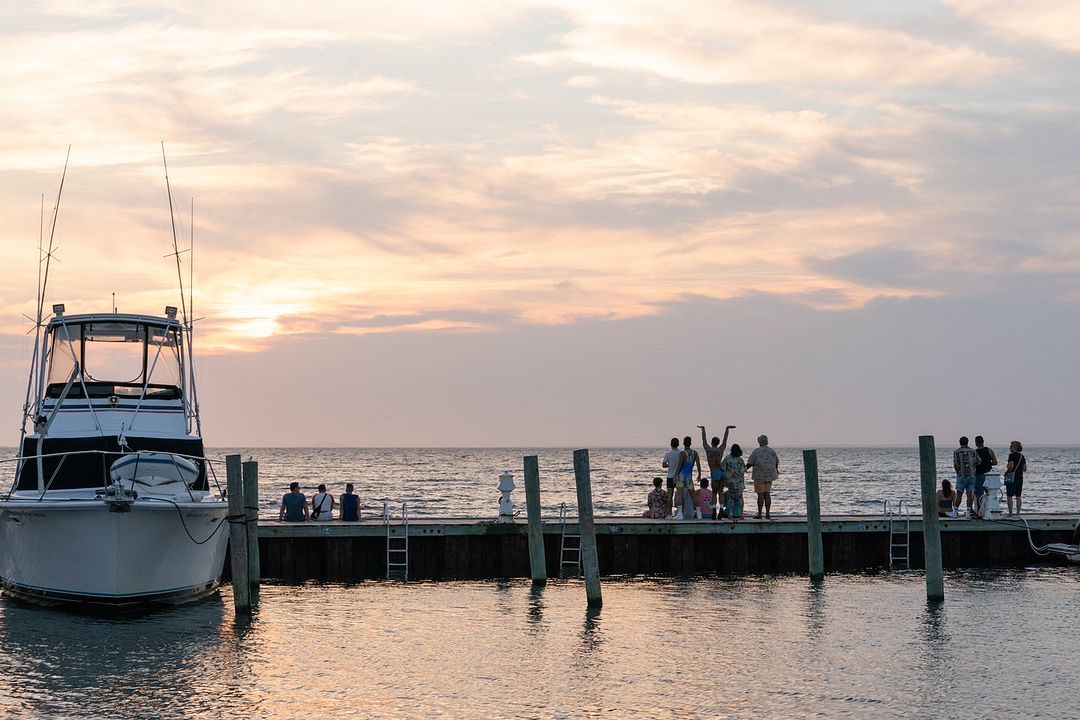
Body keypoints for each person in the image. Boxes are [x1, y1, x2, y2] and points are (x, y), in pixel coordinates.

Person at [699, 424, 735, 507]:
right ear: (718, 443)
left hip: (714, 472)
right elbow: (725, 440)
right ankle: (721, 510)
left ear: (711, 443)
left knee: (714, 493)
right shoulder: (720, 449)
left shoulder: (708, 449)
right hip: (722, 472)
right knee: (720, 492)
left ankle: (714, 511)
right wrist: (727, 429)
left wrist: (703, 430)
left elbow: (704, 440)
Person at [746, 434, 779, 520]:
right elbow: (776, 462)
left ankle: (760, 514)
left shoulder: (756, 451)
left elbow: (750, 463)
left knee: (760, 495)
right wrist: (776, 471)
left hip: (759, 476)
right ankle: (768, 513)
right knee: (767, 493)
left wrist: (743, 469)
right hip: (770, 475)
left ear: (759, 442)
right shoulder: (771, 451)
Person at [674, 436, 701, 520]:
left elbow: (679, 466)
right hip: (689, 476)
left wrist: (675, 475)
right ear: (690, 443)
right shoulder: (695, 453)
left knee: (679, 494)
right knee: (693, 495)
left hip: (681, 476)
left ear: (683, 443)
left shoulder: (682, 453)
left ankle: (680, 514)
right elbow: (698, 464)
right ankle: (699, 514)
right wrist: (699, 474)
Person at [953, 436, 979, 517]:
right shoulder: (973, 451)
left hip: (961, 475)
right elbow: (978, 462)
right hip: (971, 475)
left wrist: (958, 471)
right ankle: (968, 513)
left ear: (960, 442)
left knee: (959, 494)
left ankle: (955, 512)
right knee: (969, 494)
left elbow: (956, 465)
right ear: (967, 442)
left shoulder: (957, 452)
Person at [973, 436, 998, 512]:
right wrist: (988, 463)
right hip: (988, 475)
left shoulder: (974, 452)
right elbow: (995, 462)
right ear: (983, 441)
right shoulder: (989, 450)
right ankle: (990, 509)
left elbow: (973, 464)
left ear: (976, 443)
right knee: (990, 493)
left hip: (978, 474)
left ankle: (980, 511)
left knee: (979, 494)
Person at [721, 444, 746, 520]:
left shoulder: (727, 458)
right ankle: (741, 514)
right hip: (739, 482)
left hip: (731, 481)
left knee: (731, 498)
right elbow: (743, 470)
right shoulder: (740, 460)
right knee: (740, 497)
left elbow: (723, 467)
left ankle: (731, 513)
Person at [1004, 441, 1027, 517]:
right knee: (1018, 496)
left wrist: (1006, 472)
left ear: (1014, 447)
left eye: (1011, 446)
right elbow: (1025, 468)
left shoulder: (1011, 456)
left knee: (1009, 496)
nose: (1009, 447)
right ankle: (1018, 513)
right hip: (1020, 477)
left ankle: (1010, 513)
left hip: (1012, 477)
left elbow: (1011, 466)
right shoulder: (1022, 456)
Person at [661, 437, 681, 516]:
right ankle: (680, 513)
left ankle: (669, 514)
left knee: (670, 495)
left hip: (670, 477)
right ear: (678, 444)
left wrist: (669, 465)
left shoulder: (668, 454)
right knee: (679, 494)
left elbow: (663, 464)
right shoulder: (681, 453)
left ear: (671, 445)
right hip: (678, 477)